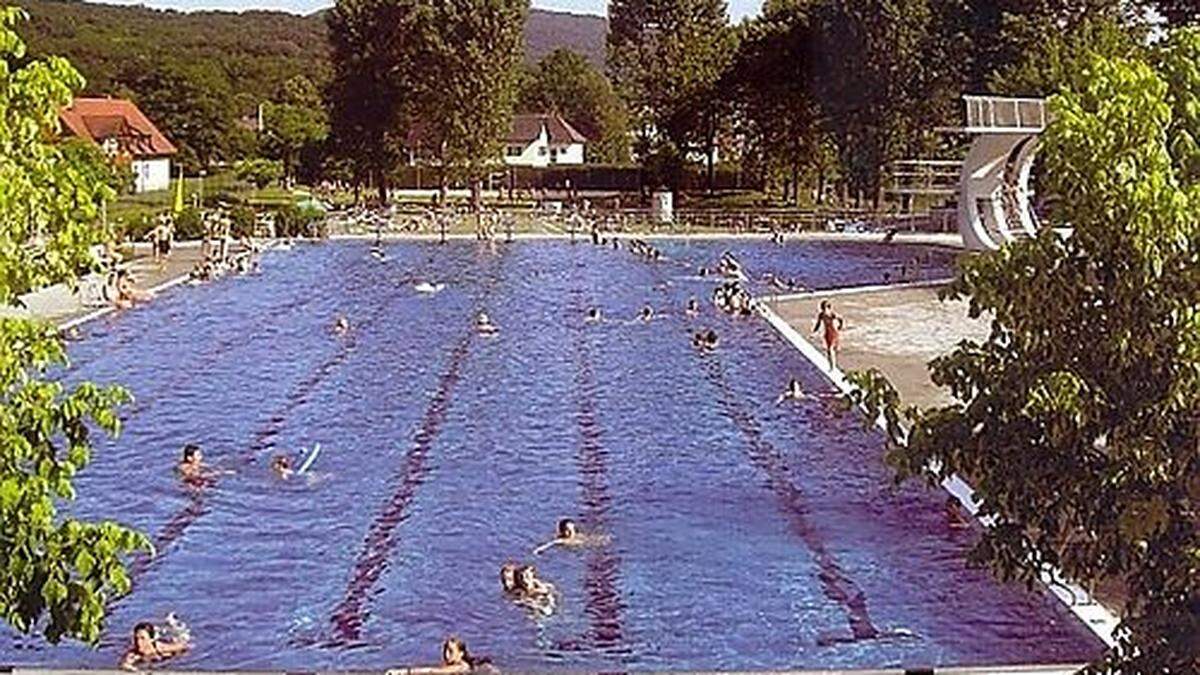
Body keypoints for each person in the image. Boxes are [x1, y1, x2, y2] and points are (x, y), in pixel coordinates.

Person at [397, 636, 489, 674]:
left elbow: (432, 670)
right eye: (445, 650)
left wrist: (405, 672)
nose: (446, 655)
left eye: (451, 651)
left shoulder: (461, 667)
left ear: (461, 654)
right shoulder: (454, 665)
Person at [119, 621, 189, 671]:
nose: (138, 642)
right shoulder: (134, 654)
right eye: (136, 638)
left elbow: (184, 646)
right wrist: (133, 669)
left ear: (151, 639)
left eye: (142, 638)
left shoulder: (161, 648)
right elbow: (124, 664)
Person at [812, 300, 844, 370]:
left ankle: (833, 366)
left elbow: (840, 319)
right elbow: (818, 324)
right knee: (829, 350)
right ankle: (831, 365)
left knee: (830, 349)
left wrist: (840, 326)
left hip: (832, 332)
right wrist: (814, 331)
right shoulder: (821, 315)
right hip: (827, 333)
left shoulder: (831, 314)